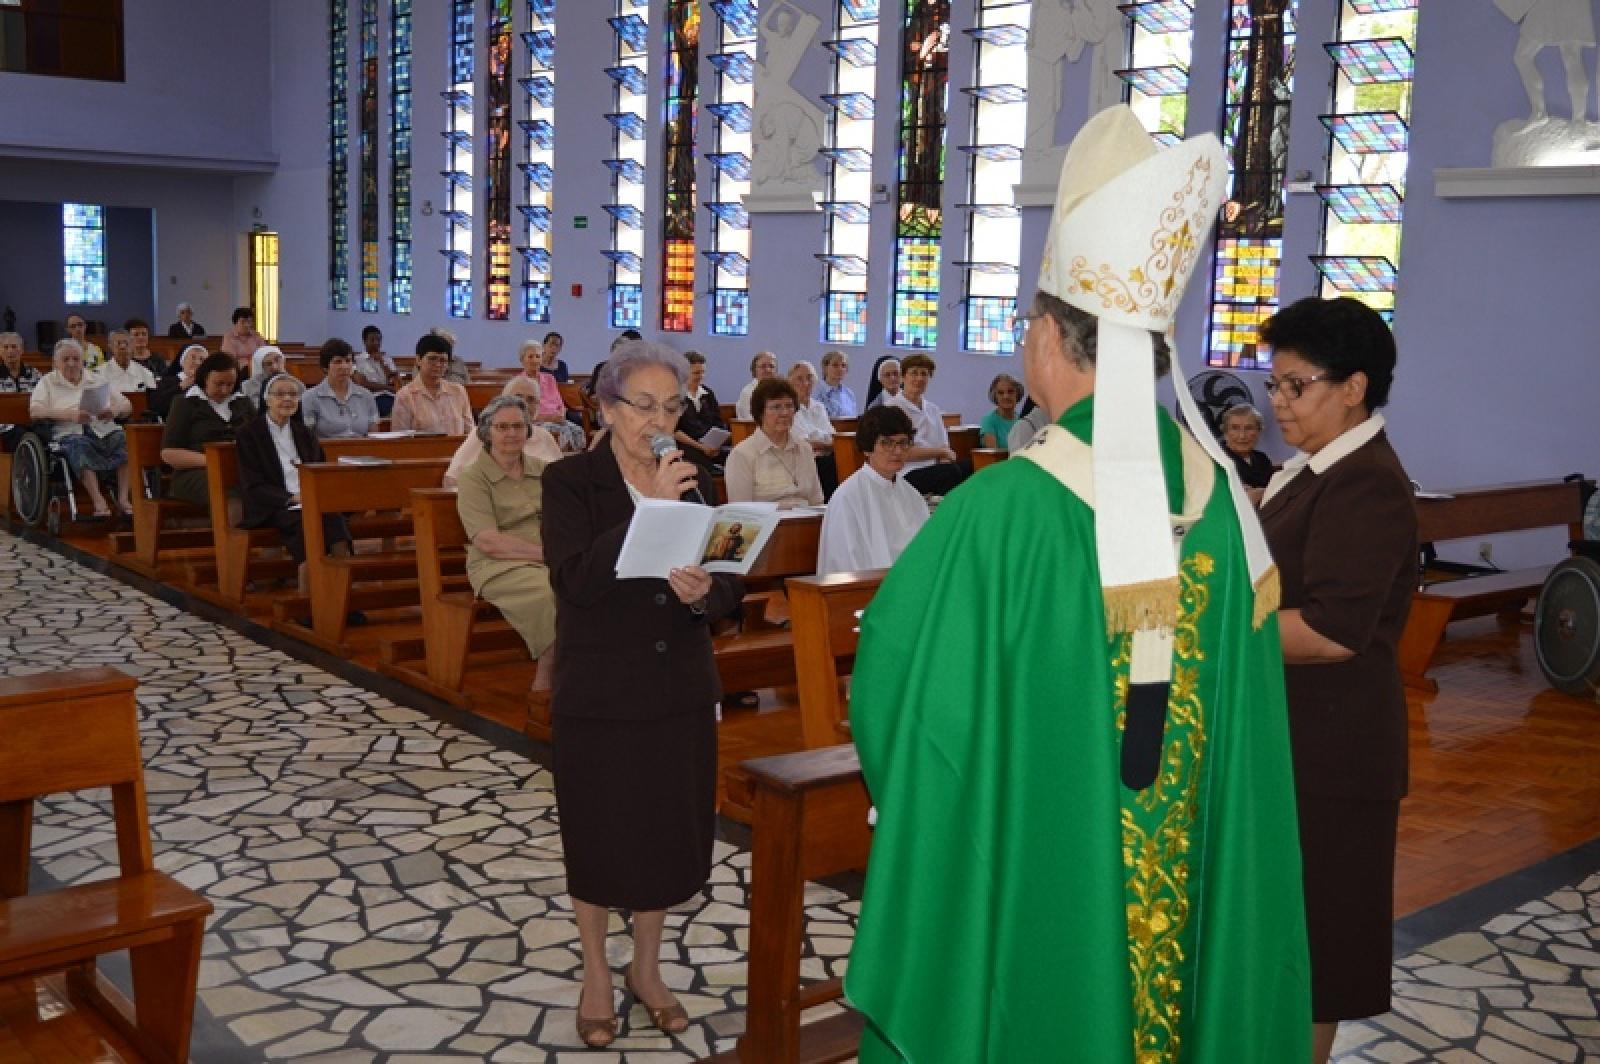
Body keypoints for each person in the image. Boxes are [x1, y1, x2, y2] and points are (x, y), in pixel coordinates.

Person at [844, 105, 1309, 1062]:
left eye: (1026, 329)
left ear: (1052, 338)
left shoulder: (1000, 513)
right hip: (1190, 869)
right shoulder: (1223, 505)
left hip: (1043, 878)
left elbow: (898, 681)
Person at [540, 341, 740, 1049]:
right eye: (645, 404)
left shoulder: (694, 477)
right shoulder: (570, 482)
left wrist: (703, 594)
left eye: (673, 404)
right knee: (598, 834)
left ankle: (647, 971)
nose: (660, 418)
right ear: (608, 406)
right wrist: (645, 511)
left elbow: (729, 585)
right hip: (601, 686)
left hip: (677, 685)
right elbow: (574, 582)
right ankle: (597, 972)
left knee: (661, 832)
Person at [1256, 296, 1416, 1064]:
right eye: (1275, 384)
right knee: (1288, 929)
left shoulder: (1367, 482)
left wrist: (1204, 634)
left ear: (1353, 386)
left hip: (1334, 754)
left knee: (1323, 944)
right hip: (1296, 742)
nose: (1279, 402)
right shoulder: (1315, 471)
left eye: (1296, 385)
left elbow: (1329, 632)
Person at [456, 396, 559, 661]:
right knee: (549, 590)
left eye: (518, 426)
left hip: (550, 557)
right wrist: (550, 555)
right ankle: (548, 671)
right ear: (487, 432)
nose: (512, 433)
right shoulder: (473, 478)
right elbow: (488, 542)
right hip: (497, 565)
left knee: (595, 582)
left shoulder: (546, 471)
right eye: (502, 427)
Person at [236, 372, 354, 590]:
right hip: (273, 506)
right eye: (280, 394)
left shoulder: (304, 433)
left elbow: (320, 470)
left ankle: (341, 597)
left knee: (335, 521)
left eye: (293, 394)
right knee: (307, 526)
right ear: (266, 399)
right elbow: (252, 484)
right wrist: (291, 498)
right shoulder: (249, 434)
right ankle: (307, 600)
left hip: (308, 501)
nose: (287, 399)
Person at [816, 405, 929, 574]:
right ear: (868, 448)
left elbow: (927, 551)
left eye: (903, 443)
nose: (897, 451)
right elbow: (845, 565)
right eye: (887, 443)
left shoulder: (912, 495)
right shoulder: (847, 498)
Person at [30, 338, 132, 516]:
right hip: (70, 432)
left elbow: (127, 405)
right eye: (66, 359)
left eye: (76, 359)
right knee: (79, 445)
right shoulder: (47, 382)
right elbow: (35, 411)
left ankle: (123, 499)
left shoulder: (97, 379)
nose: (71, 363)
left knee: (124, 440)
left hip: (102, 429)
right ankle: (99, 502)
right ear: (55, 362)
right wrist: (70, 415)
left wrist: (113, 411)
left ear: (82, 361)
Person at [160, 351, 253, 509]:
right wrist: (214, 460)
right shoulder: (186, 403)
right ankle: (233, 533)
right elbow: (169, 453)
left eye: (229, 384)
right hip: (196, 472)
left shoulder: (242, 403)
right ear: (205, 379)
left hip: (240, 469)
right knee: (228, 489)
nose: (224, 390)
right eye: (218, 384)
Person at [724, 378, 824, 509]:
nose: (785, 413)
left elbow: (817, 501)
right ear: (760, 413)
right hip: (770, 526)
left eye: (789, 406)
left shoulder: (804, 448)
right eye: (776, 407)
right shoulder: (742, 454)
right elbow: (740, 511)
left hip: (807, 524)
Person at [886, 353, 965, 496]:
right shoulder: (892, 408)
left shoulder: (933, 409)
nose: (919, 378)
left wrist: (944, 459)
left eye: (924, 374)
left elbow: (944, 447)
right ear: (903, 377)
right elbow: (904, 451)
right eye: (914, 373)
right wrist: (940, 453)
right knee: (951, 473)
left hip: (935, 468)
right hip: (906, 471)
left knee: (969, 468)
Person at [503, 338, 584, 452]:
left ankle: (573, 462)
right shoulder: (519, 382)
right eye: (530, 356)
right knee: (559, 432)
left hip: (556, 419)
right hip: (536, 421)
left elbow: (559, 403)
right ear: (522, 360)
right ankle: (557, 461)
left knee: (577, 430)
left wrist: (561, 415)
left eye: (538, 356)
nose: (535, 360)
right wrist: (549, 418)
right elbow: (522, 412)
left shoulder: (549, 378)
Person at [392, 335, 473, 435]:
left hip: (458, 450)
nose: (438, 364)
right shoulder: (405, 396)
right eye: (432, 359)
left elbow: (470, 433)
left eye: (443, 360)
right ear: (418, 360)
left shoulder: (458, 391)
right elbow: (400, 440)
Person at [302, 338, 381, 439]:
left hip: (362, 452)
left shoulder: (366, 396)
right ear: (326, 367)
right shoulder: (310, 397)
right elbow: (308, 438)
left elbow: (373, 435)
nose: (344, 366)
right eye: (337, 362)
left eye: (348, 361)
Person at [674, 350, 728, 475]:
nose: (701, 376)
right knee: (696, 458)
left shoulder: (708, 394)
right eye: (696, 373)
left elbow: (718, 422)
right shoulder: (676, 395)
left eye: (703, 372)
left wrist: (717, 443)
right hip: (688, 445)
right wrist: (701, 447)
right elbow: (675, 431)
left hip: (711, 446)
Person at [789, 360, 837, 496]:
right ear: (791, 383)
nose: (806, 383)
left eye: (809, 378)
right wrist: (826, 443)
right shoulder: (789, 408)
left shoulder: (819, 406)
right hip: (803, 458)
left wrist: (824, 443)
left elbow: (832, 436)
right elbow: (804, 442)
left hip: (826, 456)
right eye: (799, 379)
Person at [1221, 401, 1274, 497]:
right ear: (1225, 432)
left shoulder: (1262, 459)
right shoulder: (1218, 460)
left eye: (1249, 428)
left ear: (1259, 432)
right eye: (1235, 428)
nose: (1242, 436)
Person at [0, 331, 40, 449]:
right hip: (6, 427)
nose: (10, 351)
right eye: (5, 347)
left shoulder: (34, 373)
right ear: (0, 351)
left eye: (14, 347)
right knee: (22, 436)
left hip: (32, 422)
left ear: (21, 350)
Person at [150, 344, 206, 421]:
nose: (197, 362)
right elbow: (157, 406)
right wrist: (180, 387)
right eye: (193, 357)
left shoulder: (208, 385)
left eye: (202, 360)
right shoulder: (165, 381)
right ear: (182, 362)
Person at [354, 325, 401, 415]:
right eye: (372, 340)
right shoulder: (358, 360)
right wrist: (387, 388)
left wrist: (382, 362)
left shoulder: (387, 359)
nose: (376, 343)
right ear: (364, 341)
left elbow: (395, 379)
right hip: (372, 397)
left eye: (379, 340)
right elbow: (362, 383)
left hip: (390, 396)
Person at [99, 329, 157, 395]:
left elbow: (153, 400)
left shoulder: (146, 373)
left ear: (132, 346)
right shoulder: (99, 374)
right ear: (110, 346)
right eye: (118, 343)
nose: (123, 346)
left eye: (126, 343)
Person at [978, 372, 1023, 449]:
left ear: (1018, 394)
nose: (1006, 396)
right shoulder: (989, 421)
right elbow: (993, 455)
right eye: (1000, 393)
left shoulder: (1022, 420)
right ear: (995, 397)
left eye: (1010, 391)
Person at [734, 350, 778, 420]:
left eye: (771, 366)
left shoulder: (779, 390)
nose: (768, 370)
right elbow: (752, 420)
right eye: (763, 366)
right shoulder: (748, 392)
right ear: (754, 370)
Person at [220, 307, 264, 375]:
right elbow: (229, 359)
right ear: (235, 323)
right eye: (243, 322)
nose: (247, 325)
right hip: (239, 370)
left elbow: (263, 353)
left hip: (257, 367)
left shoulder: (256, 335)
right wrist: (248, 364)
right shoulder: (229, 337)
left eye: (249, 322)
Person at [817, 350, 857, 417]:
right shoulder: (816, 391)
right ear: (825, 368)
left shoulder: (849, 394)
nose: (840, 369)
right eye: (835, 365)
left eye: (843, 365)